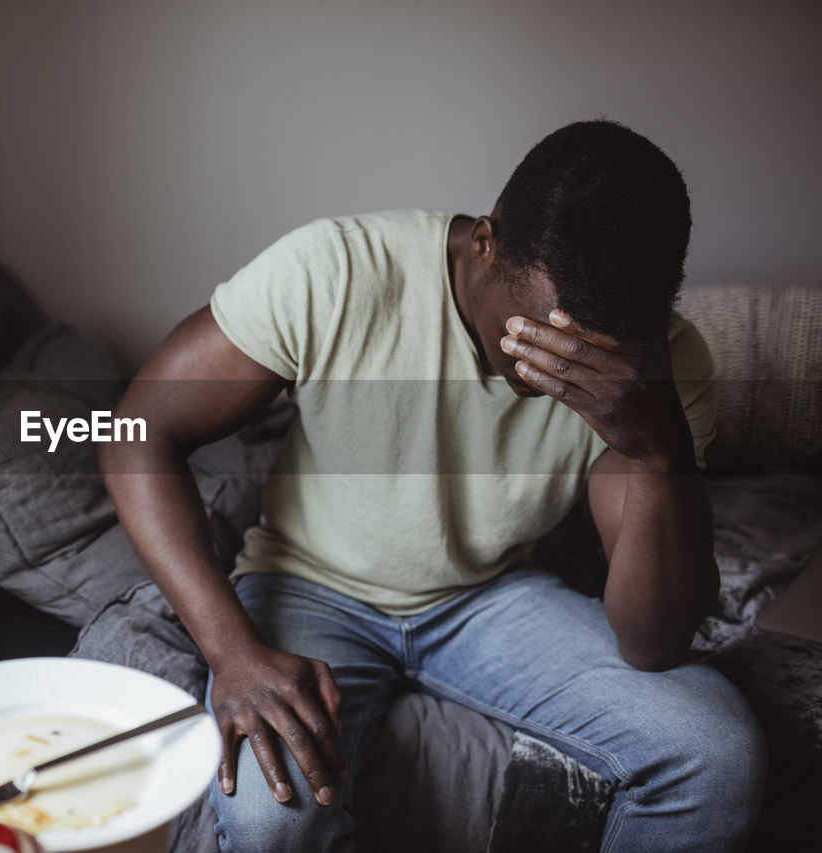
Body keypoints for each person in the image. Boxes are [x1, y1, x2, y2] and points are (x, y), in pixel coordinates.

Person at [97, 120, 766, 852]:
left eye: (584, 361)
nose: (546, 378)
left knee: (718, 750)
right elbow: (139, 430)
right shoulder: (339, 270)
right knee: (267, 822)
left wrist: (660, 453)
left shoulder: (659, 368)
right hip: (311, 586)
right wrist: (231, 650)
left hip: (489, 597)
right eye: (529, 338)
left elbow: (652, 642)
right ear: (485, 242)